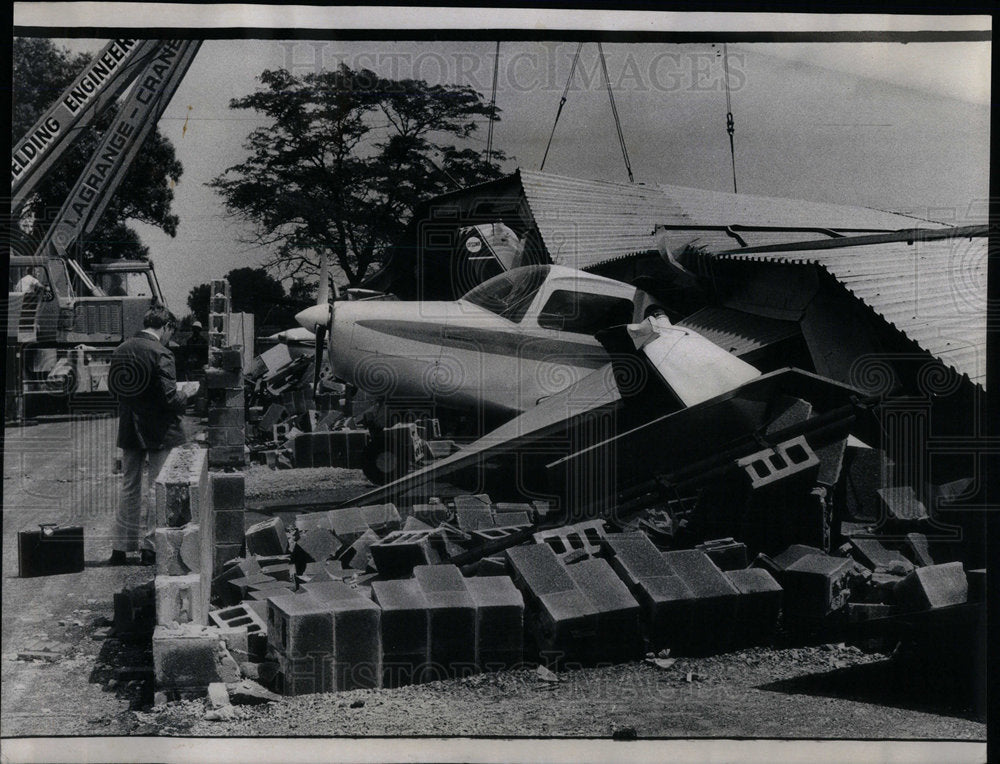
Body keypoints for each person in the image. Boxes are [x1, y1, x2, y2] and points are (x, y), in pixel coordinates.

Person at [107, 305, 193, 565]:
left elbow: (114, 390)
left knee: (129, 486)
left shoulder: (121, 350)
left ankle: (120, 548)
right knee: (158, 486)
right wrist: (187, 393)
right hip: (160, 431)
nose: (170, 338)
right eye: (171, 332)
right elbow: (170, 398)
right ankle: (150, 548)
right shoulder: (162, 353)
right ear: (166, 326)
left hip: (130, 428)